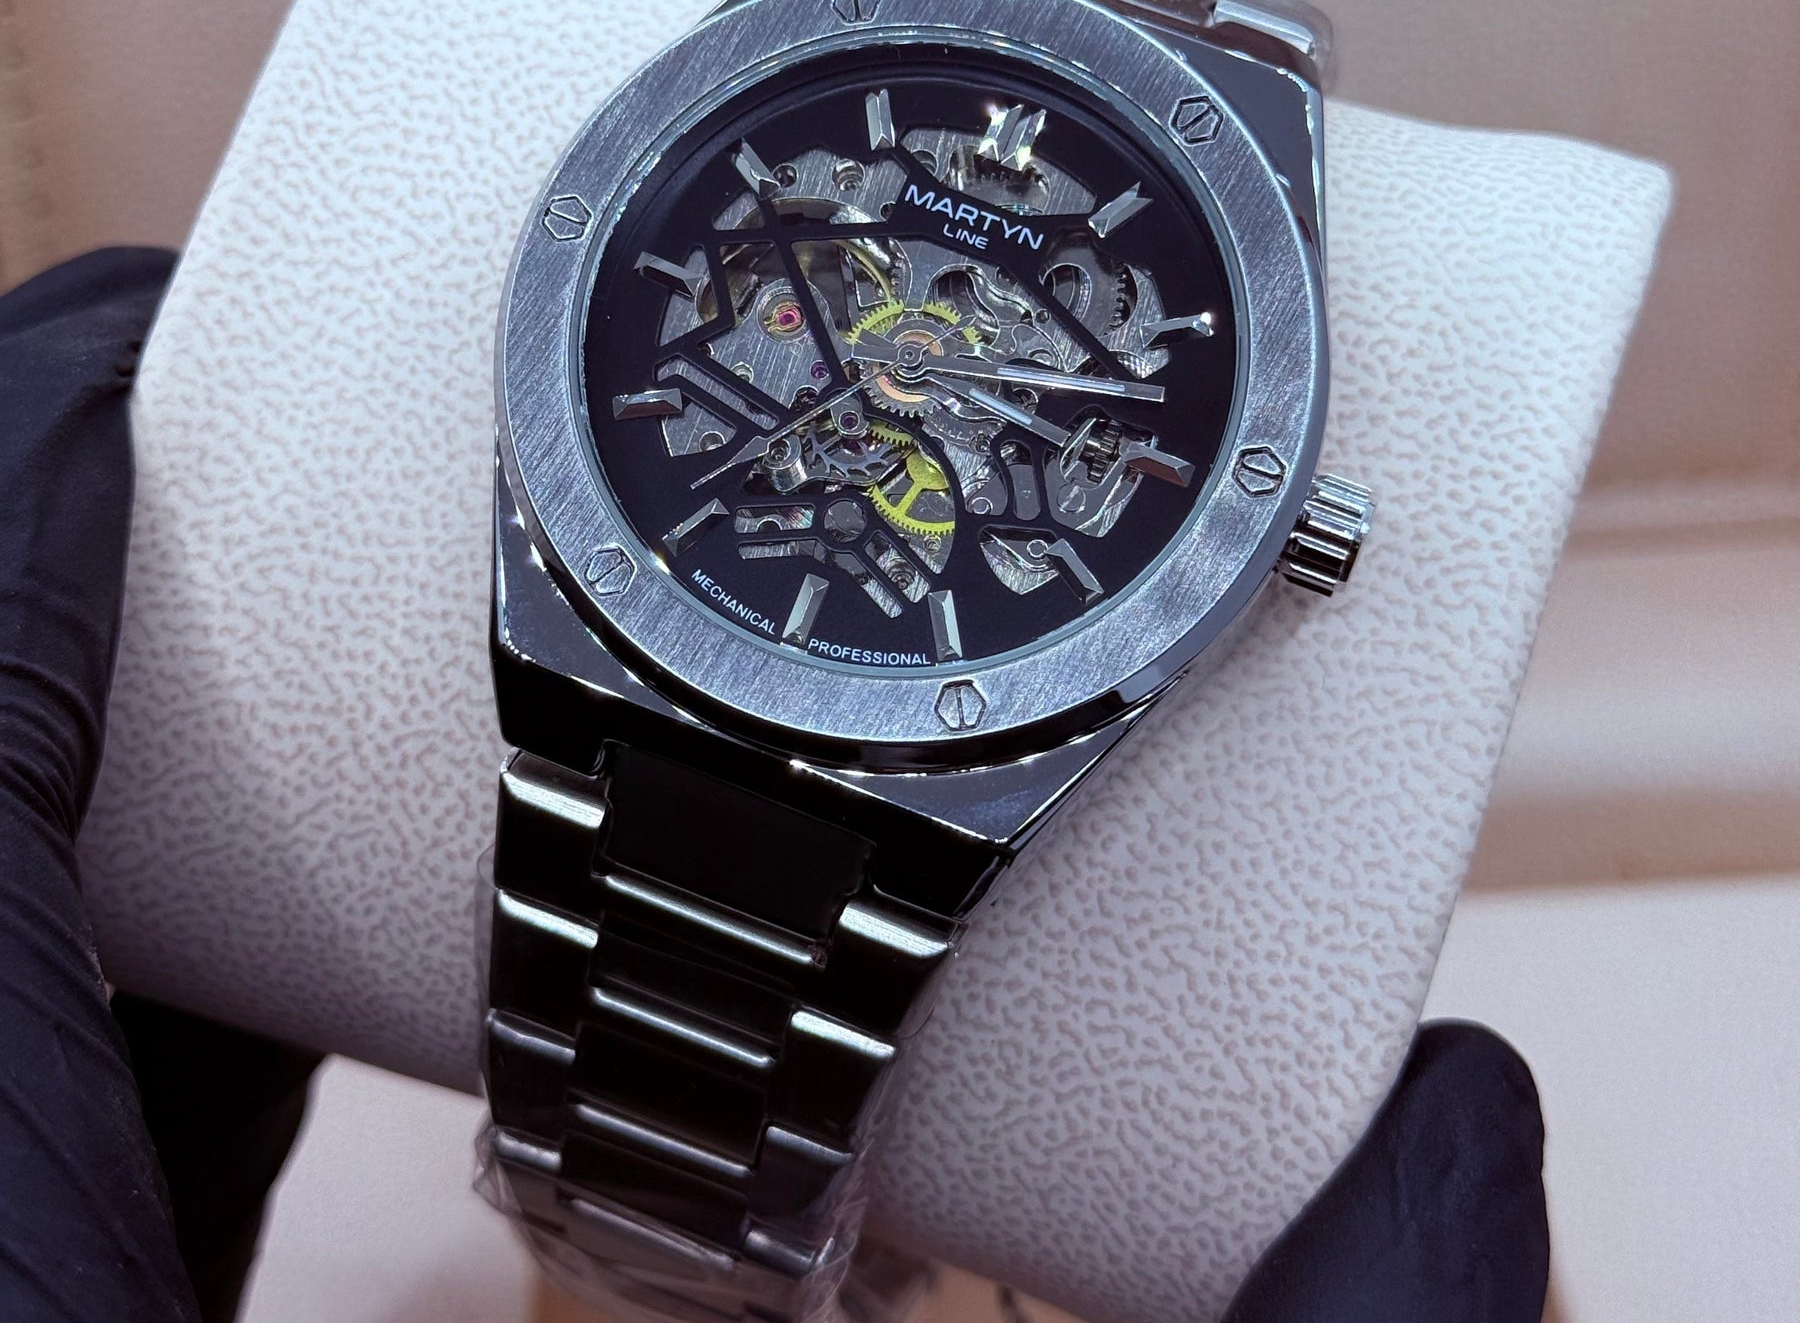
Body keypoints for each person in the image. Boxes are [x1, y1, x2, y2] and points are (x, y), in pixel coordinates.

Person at [0, 248, 1550, 1323]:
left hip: (921, 711)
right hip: (682, 637)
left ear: (1285, 517)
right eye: (880, 334)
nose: (911, 376)